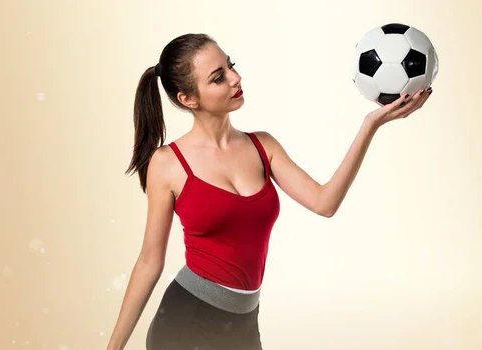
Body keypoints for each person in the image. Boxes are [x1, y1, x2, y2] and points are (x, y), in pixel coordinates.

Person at [106, 33, 432, 350]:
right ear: (188, 99)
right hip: (184, 322)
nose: (236, 78)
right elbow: (150, 262)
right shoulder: (167, 163)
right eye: (219, 77)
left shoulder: (263, 146)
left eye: (231, 66)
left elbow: (324, 202)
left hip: (243, 324)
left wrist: (369, 126)